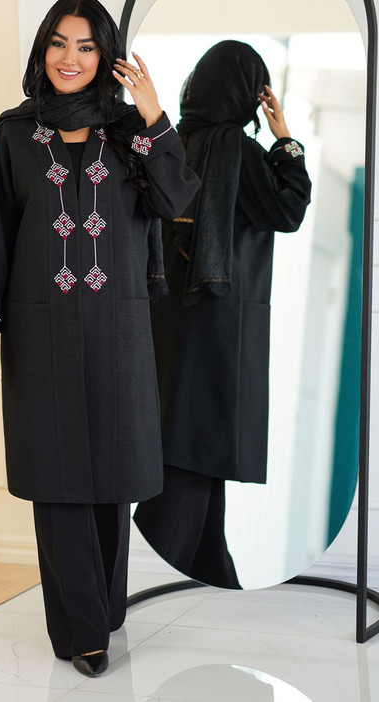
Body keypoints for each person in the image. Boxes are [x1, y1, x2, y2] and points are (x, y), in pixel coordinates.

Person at [0, 0, 200, 676]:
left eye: (87, 46)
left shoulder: (128, 132)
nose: (70, 58)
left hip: (119, 325)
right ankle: (86, 630)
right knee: (57, 471)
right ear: (43, 50)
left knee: (112, 472)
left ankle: (100, 613)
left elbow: (177, 199)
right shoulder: (14, 134)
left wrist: (153, 116)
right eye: (59, 44)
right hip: (40, 326)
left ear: (106, 56)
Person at [134, 40, 312, 589]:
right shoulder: (240, 151)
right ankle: (141, 570)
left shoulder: (172, 145)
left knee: (193, 448)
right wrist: (285, 140)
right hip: (221, 325)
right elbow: (288, 209)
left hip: (168, 322)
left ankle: (216, 576)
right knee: (194, 452)